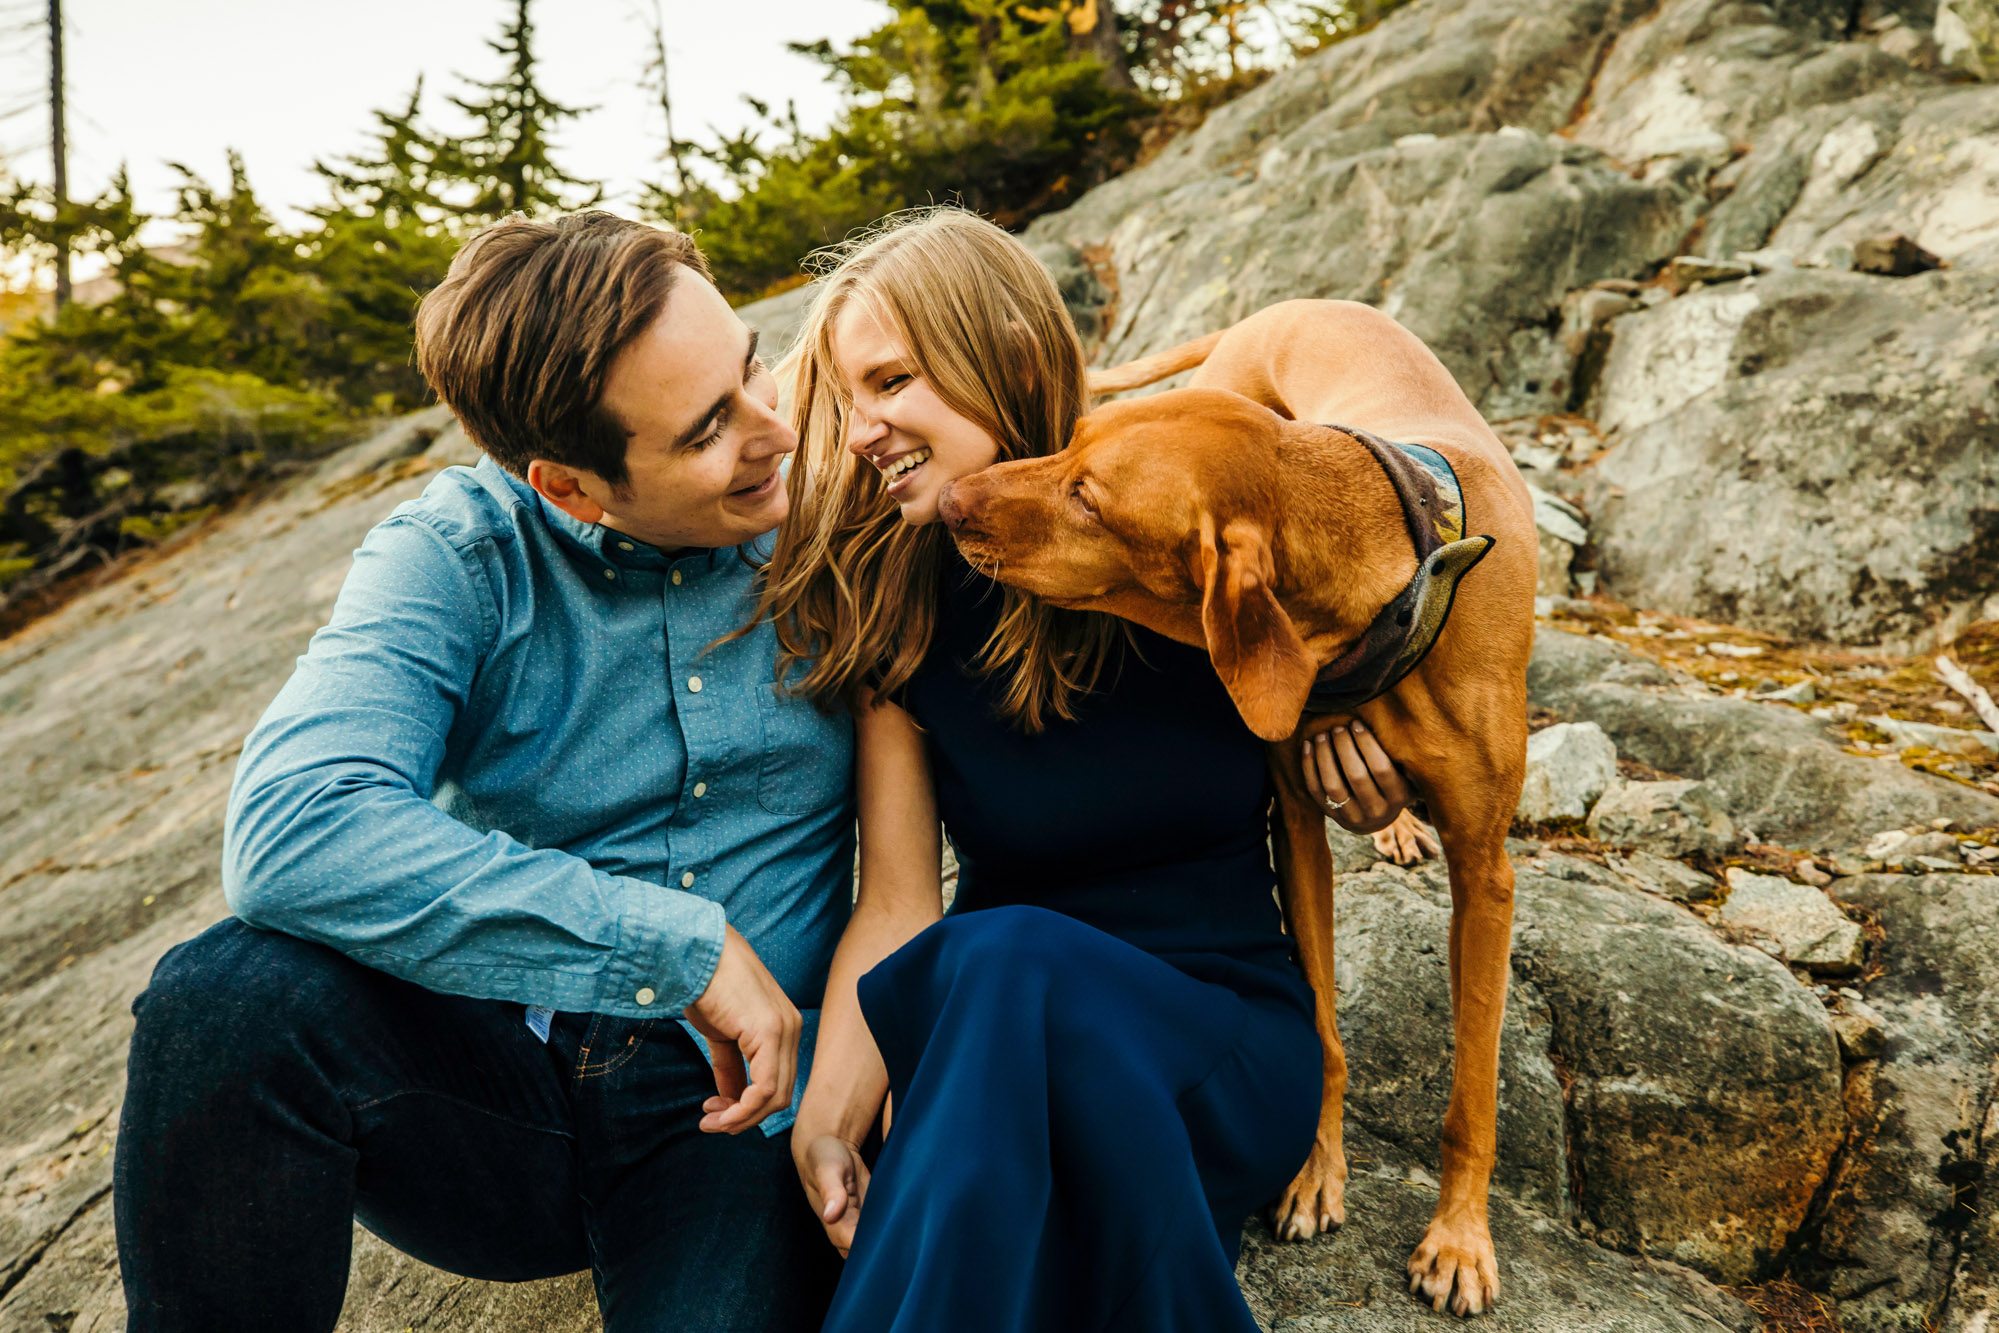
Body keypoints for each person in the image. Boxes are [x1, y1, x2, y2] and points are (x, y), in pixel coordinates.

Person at [111, 213, 854, 1332]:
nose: (775, 432)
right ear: (567, 487)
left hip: (743, 1110)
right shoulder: (456, 553)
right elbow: (293, 825)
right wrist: (671, 946)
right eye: (708, 431)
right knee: (226, 997)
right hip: (504, 1098)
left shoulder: (838, 499)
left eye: (754, 369)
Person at [756, 207, 1421, 1331]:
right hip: (996, 1046)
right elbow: (902, 900)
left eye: (893, 381)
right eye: (848, 396)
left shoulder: (1175, 525)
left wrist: (1366, 755)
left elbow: (1379, 622)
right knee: (994, 982)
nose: (863, 427)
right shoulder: (901, 610)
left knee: (1002, 952)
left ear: (1009, 355)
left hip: (1212, 1036)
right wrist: (828, 1116)